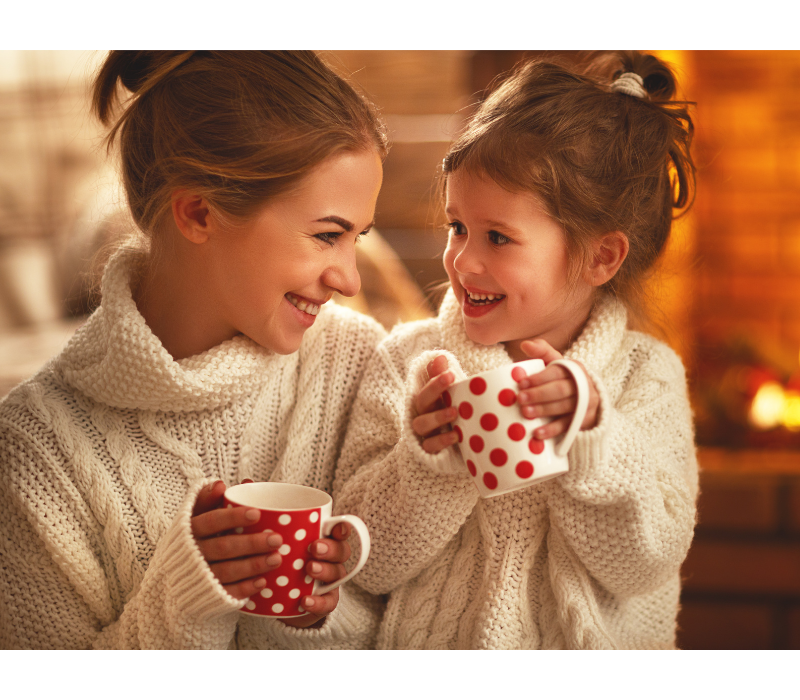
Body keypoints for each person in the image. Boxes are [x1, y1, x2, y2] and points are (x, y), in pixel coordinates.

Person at [0, 50, 389, 649]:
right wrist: (186, 600)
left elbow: (422, 612)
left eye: (356, 238)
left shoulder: (358, 362)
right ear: (199, 211)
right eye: (327, 236)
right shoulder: (34, 447)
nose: (350, 280)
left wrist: (322, 611)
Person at [333, 50, 700, 649]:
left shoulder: (644, 379)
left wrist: (589, 438)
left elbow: (645, 564)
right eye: (457, 227)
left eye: (498, 237)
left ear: (600, 257)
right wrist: (429, 465)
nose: (461, 260)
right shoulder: (409, 365)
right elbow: (362, 564)